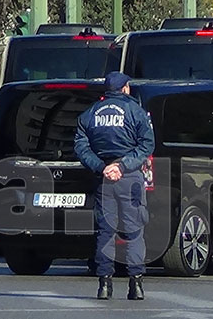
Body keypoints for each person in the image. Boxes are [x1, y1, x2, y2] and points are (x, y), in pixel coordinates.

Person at [74, 71, 154, 300]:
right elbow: (147, 145)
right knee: (134, 231)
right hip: (130, 177)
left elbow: (81, 147)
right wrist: (123, 165)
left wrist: (102, 167)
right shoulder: (136, 111)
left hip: (104, 179)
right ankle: (136, 284)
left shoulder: (90, 114)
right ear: (125, 88)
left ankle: (104, 285)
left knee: (105, 232)